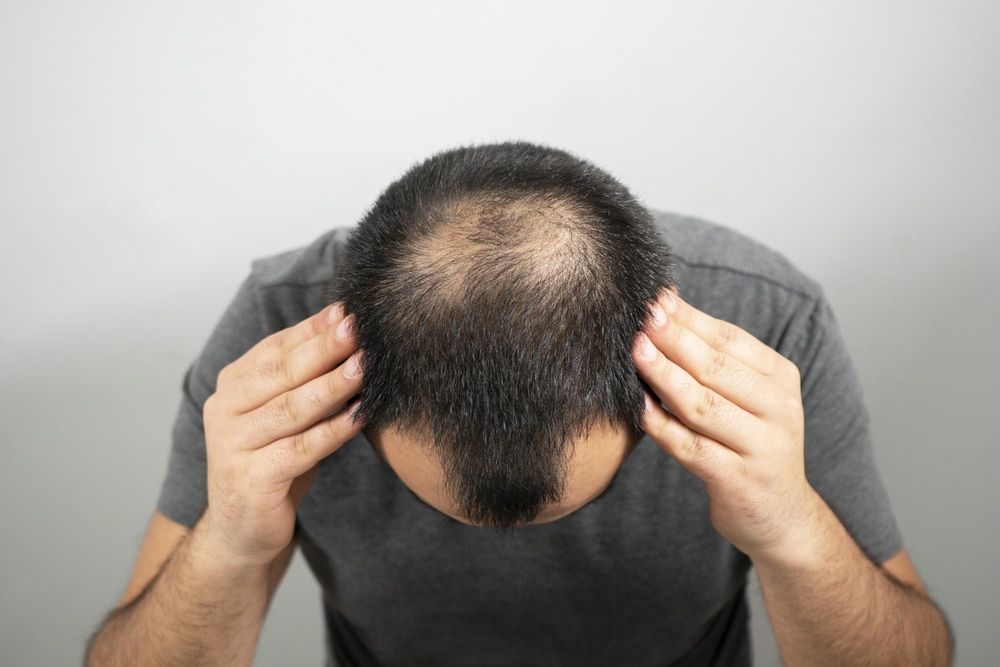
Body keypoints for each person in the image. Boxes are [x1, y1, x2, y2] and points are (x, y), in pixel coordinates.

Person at [86, 142, 952, 666]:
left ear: (650, 381)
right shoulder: (277, 345)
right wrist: (232, 539)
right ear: (356, 381)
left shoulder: (766, 324)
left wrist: (792, 526)